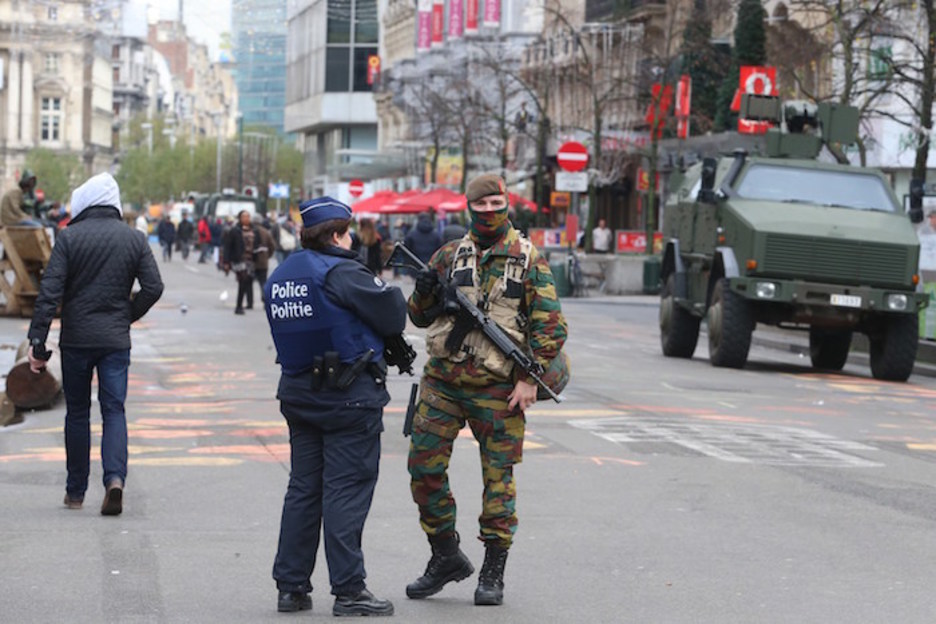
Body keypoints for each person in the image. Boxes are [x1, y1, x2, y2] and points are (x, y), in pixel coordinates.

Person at [405, 173, 568, 606]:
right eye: (483, 206)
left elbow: (550, 327)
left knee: (498, 482)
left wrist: (528, 381)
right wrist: (422, 294)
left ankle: (493, 571)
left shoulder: (528, 258)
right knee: (422, 467)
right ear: (470, 208)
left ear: (507, 204)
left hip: (499, 388)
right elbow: (419, 317)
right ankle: (445, 555)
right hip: (444, 380)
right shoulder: (448, 255)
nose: (491, 212)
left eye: (498, 204)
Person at [264, 196, 405, 616]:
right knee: (345, 492)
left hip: (299, 394)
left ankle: (291, 587)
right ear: (338, 234)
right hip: (348, 397)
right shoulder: (342, 271)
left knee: (304, 490)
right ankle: (349, 589)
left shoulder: (282, 275)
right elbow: (394, 315)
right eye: (347, 233)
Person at [26, 172, 163, 515]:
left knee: (77, 413)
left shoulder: (69, 238)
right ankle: (115, 479)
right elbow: (154, 286)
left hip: (77, 340)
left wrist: (38, 342)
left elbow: (49, 292)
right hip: (116, 341)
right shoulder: (134, 239)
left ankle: (75, 492)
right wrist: (126, 315)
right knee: (114, 410)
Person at [223, 210, 262, 315]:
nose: (246, 219)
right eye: (244, 217)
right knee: (243, 279)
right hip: (239, 259)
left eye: (248, 217)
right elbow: (227, 246)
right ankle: (239, 306)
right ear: (240, 218)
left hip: (250, 260)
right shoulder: (235, 230)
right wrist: (226, 261)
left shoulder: (254, 230)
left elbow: (258, 243)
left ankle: (246, 302)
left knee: (247, 281)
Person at [252, 215, 276, 300]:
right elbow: (272, 245)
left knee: (248, 282)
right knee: (263, 280)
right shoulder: (265, 232)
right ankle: (264, 297)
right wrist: (267, 255)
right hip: (263, 260)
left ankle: (249, 301)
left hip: (251, 260)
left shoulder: (250, 231)